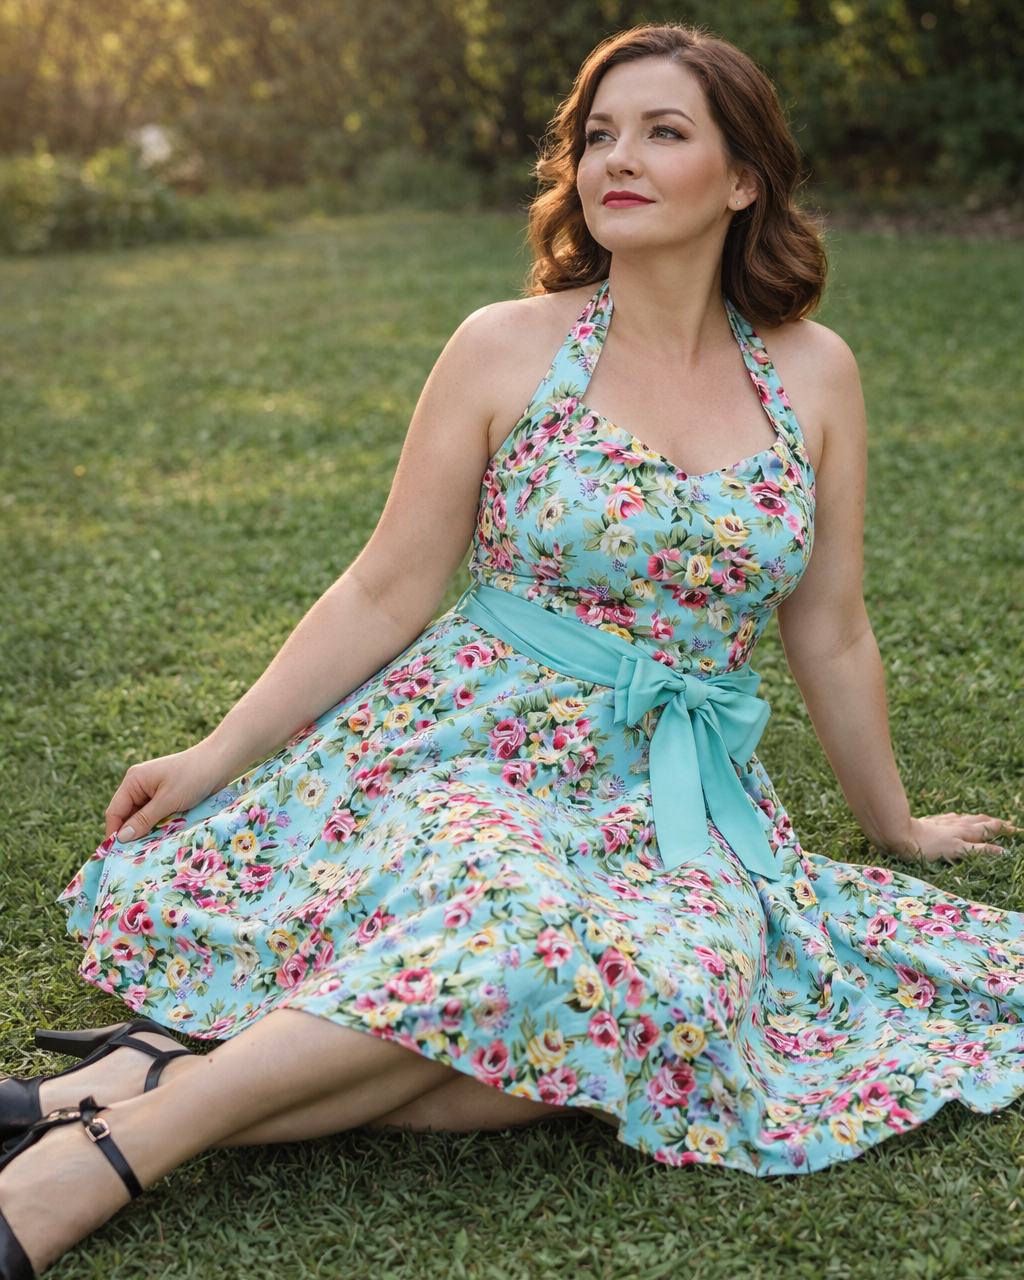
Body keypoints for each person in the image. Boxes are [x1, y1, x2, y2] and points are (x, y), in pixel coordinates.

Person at [0, 21, 1019, 1278]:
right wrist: (213, 754)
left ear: (744, 177)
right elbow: (385, 589)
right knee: (509, 934)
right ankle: (104, 1161)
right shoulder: (505, 344)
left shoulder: (814, 374)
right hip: (469, 741)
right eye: (599, 134)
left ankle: (131, 1088)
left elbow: (830, 624)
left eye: (664, 132)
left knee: (651, 1010)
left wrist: (896, 821)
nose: (618, 159)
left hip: (673, 793)